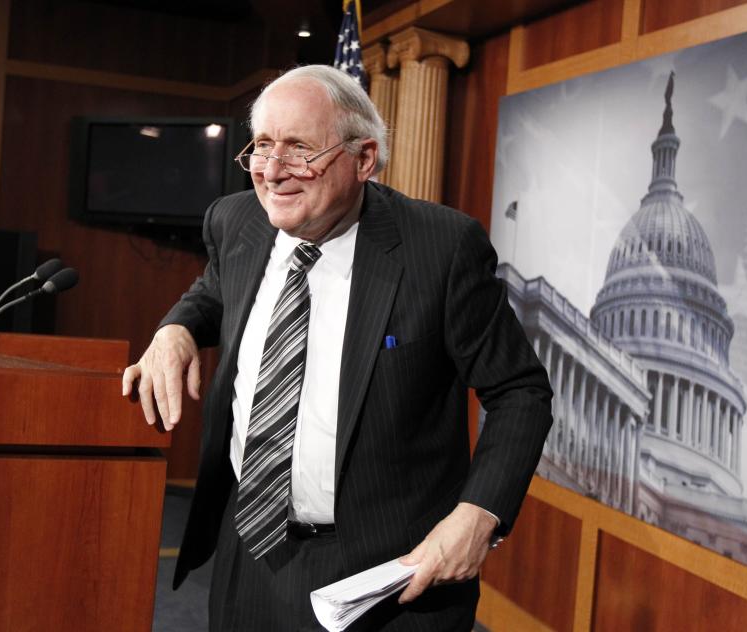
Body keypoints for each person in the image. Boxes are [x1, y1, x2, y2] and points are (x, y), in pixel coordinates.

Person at [121, 64, 552, 631]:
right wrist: (175, 328)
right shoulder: (237, 221)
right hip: (249, 555)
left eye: (299, 149)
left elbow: (520, 391)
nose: (272, 172)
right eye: (263, 146)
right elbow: (213, 291)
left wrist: (478, 516)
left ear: (363, 159)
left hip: (385, 579)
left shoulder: (441, 249)